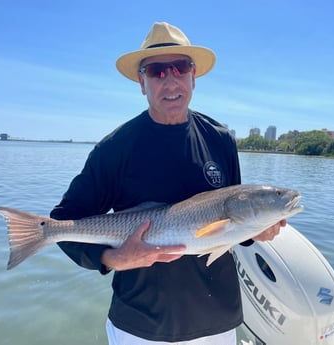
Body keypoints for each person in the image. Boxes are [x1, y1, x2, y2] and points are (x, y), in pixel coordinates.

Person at [50, 22, 285, 345]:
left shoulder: (221, 140)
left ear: (193, 76)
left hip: (216, 317)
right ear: (141, 81)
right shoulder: (114, 149)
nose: (170, 80)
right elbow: (63, 223)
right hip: (141, 324)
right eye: (157, 70)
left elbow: (233, 221)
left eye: (180, 67)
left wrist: (256, 230)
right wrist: (113, 259)